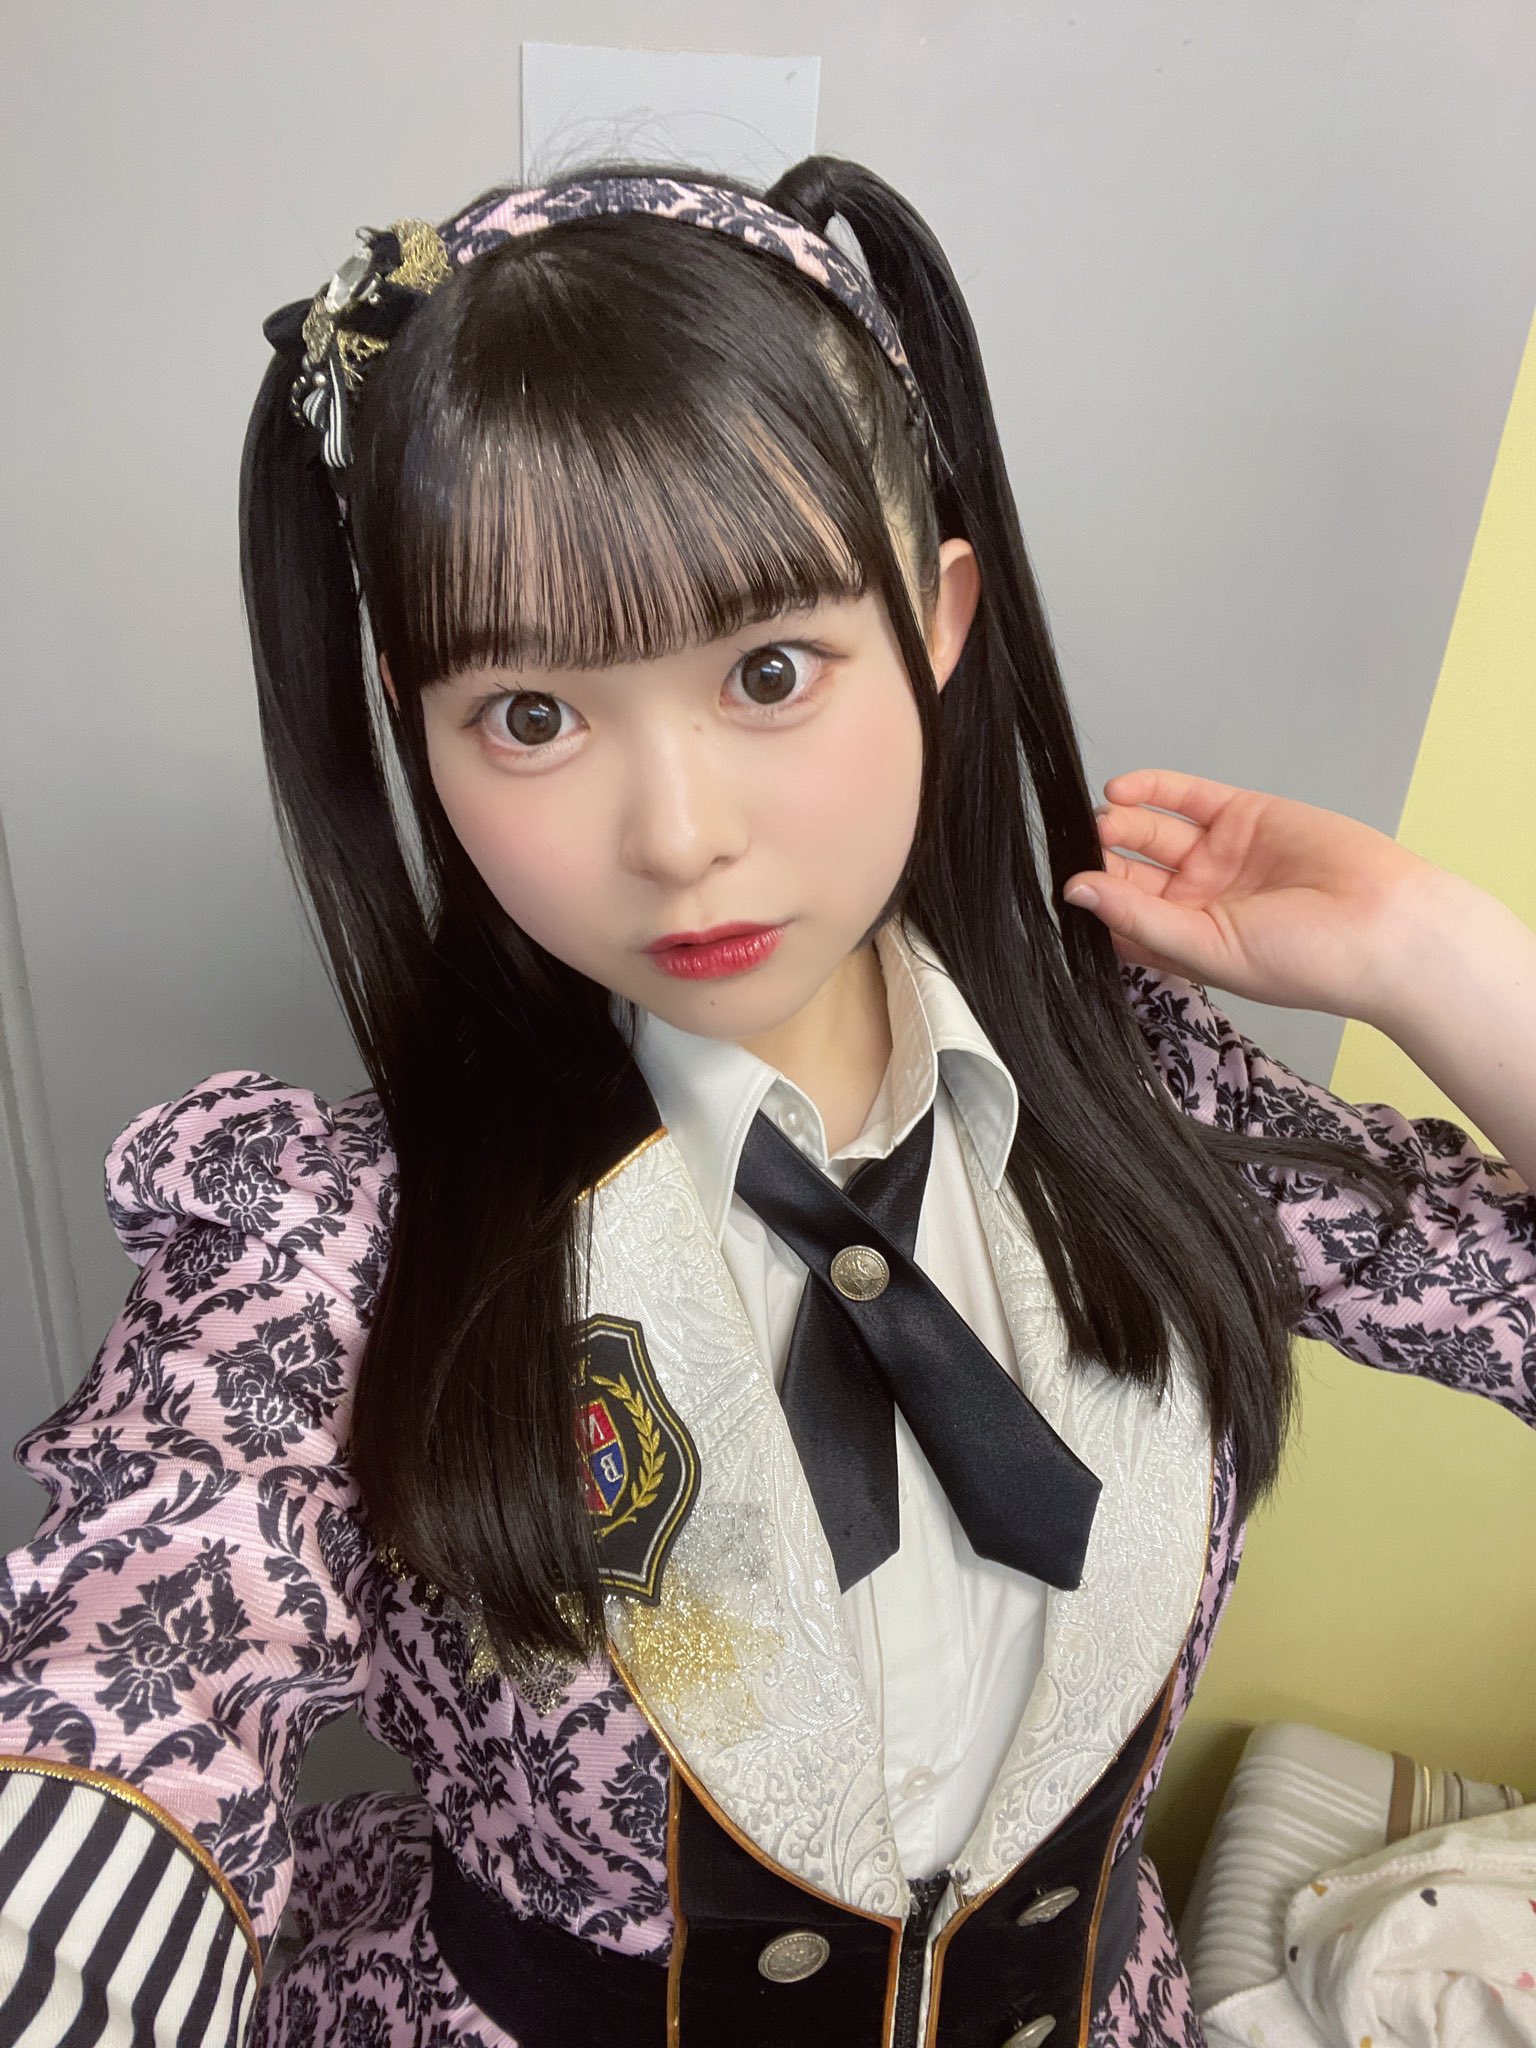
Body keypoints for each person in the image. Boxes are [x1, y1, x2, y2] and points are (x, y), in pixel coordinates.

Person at [0, 153, 1530, 2048]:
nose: (679, 835)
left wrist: (1438, 955)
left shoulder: (1136, 1093)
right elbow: (134, 1660)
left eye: (772, 671)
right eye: (532, 716)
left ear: (938, 621)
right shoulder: (334, 1236)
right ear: (419, 723)